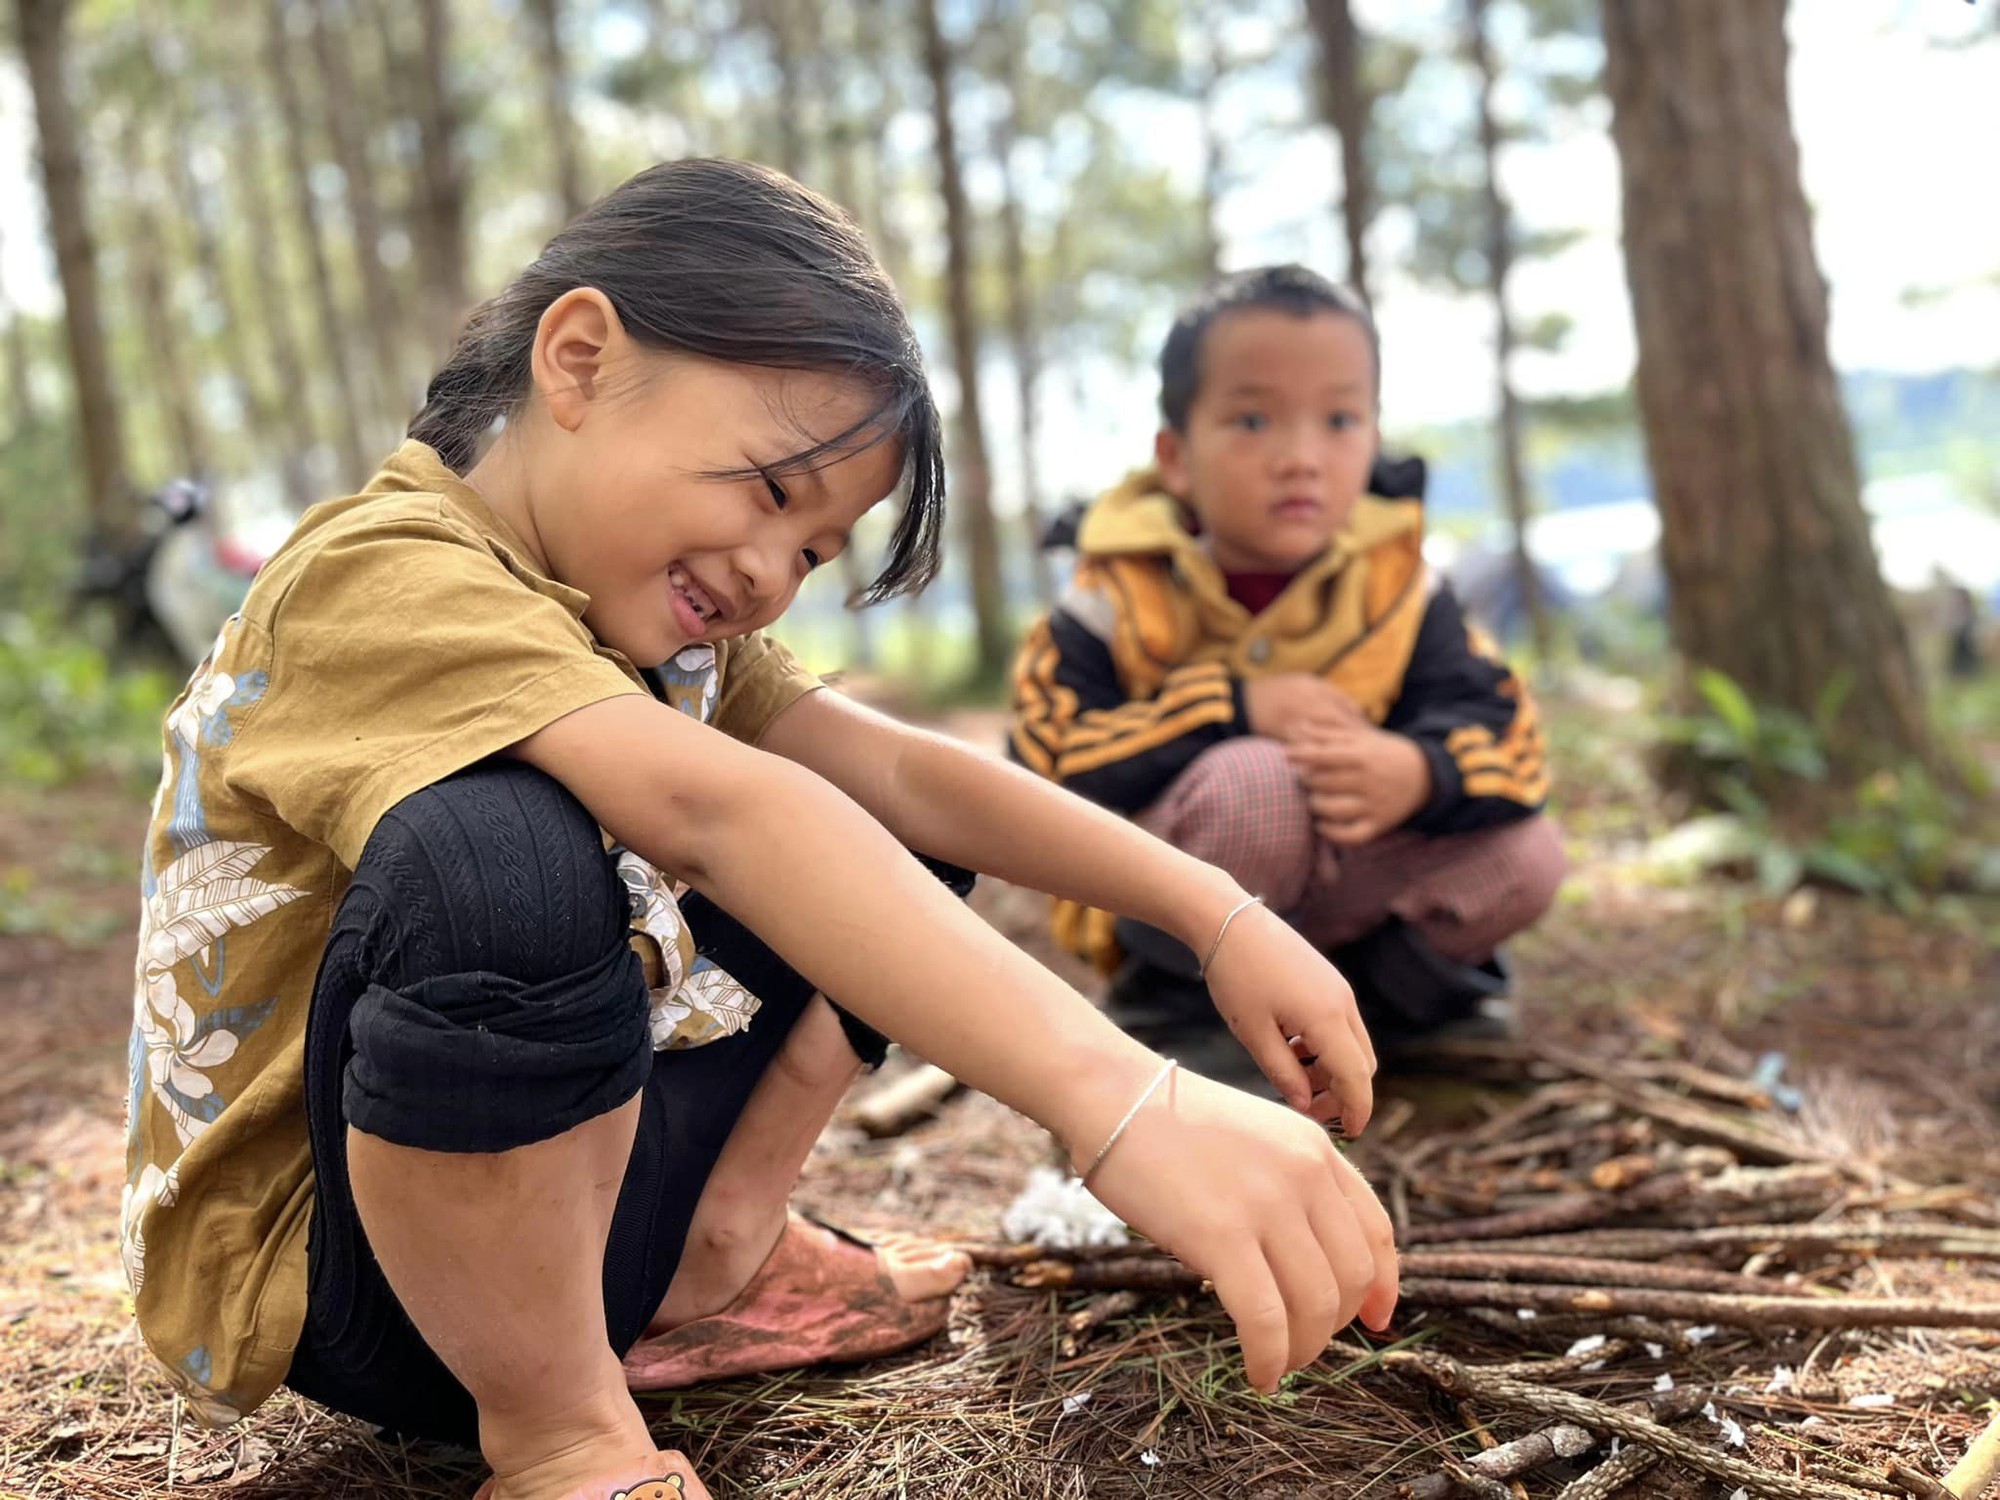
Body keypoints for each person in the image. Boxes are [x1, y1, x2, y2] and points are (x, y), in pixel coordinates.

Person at [122, 164, 1397, 1500]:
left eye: (816, 551)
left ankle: (721, 1259)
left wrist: (1216, 911)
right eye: (774, 494)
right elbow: (721, 812)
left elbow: (913, 782)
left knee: (869, 822)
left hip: (591, 1212)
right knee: (491, 853)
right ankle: (561, 1434)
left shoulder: (642, 621)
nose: (769, 575)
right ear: (579, 359)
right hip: (360, 1280)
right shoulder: (379, 574)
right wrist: (1123, 1099)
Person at [1010, 265, 1565, 1077]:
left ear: (1374, 439)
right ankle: (1182, 1016)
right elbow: (1043, 768)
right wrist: (1231, 707)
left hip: (1351, 890)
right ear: (1177, 457)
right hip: (1180, 905)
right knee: (1256, 786)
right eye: (1253, 420)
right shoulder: (1113, 594)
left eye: (1340, 419)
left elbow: (1512, 745)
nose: (1302, 457)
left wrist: (1421, 772)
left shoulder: (1402, 587)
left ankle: (1386, 1005)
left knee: (1529, 854)